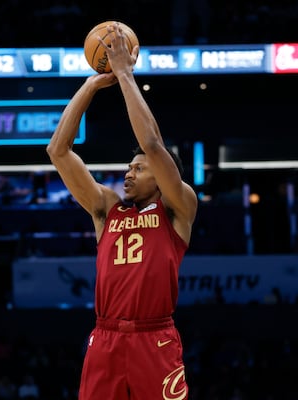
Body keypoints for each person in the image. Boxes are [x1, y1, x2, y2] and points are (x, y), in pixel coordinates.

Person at [47, 23, 197, 399]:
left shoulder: (178, 207)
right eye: (129, 168)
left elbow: (151, 142)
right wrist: (92, 85)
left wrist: (126, 75)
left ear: (162, 179)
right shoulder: (106, 210)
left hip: (155, 337)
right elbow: (58, 151)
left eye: (139, 169)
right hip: (106, 335)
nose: (129, 174)